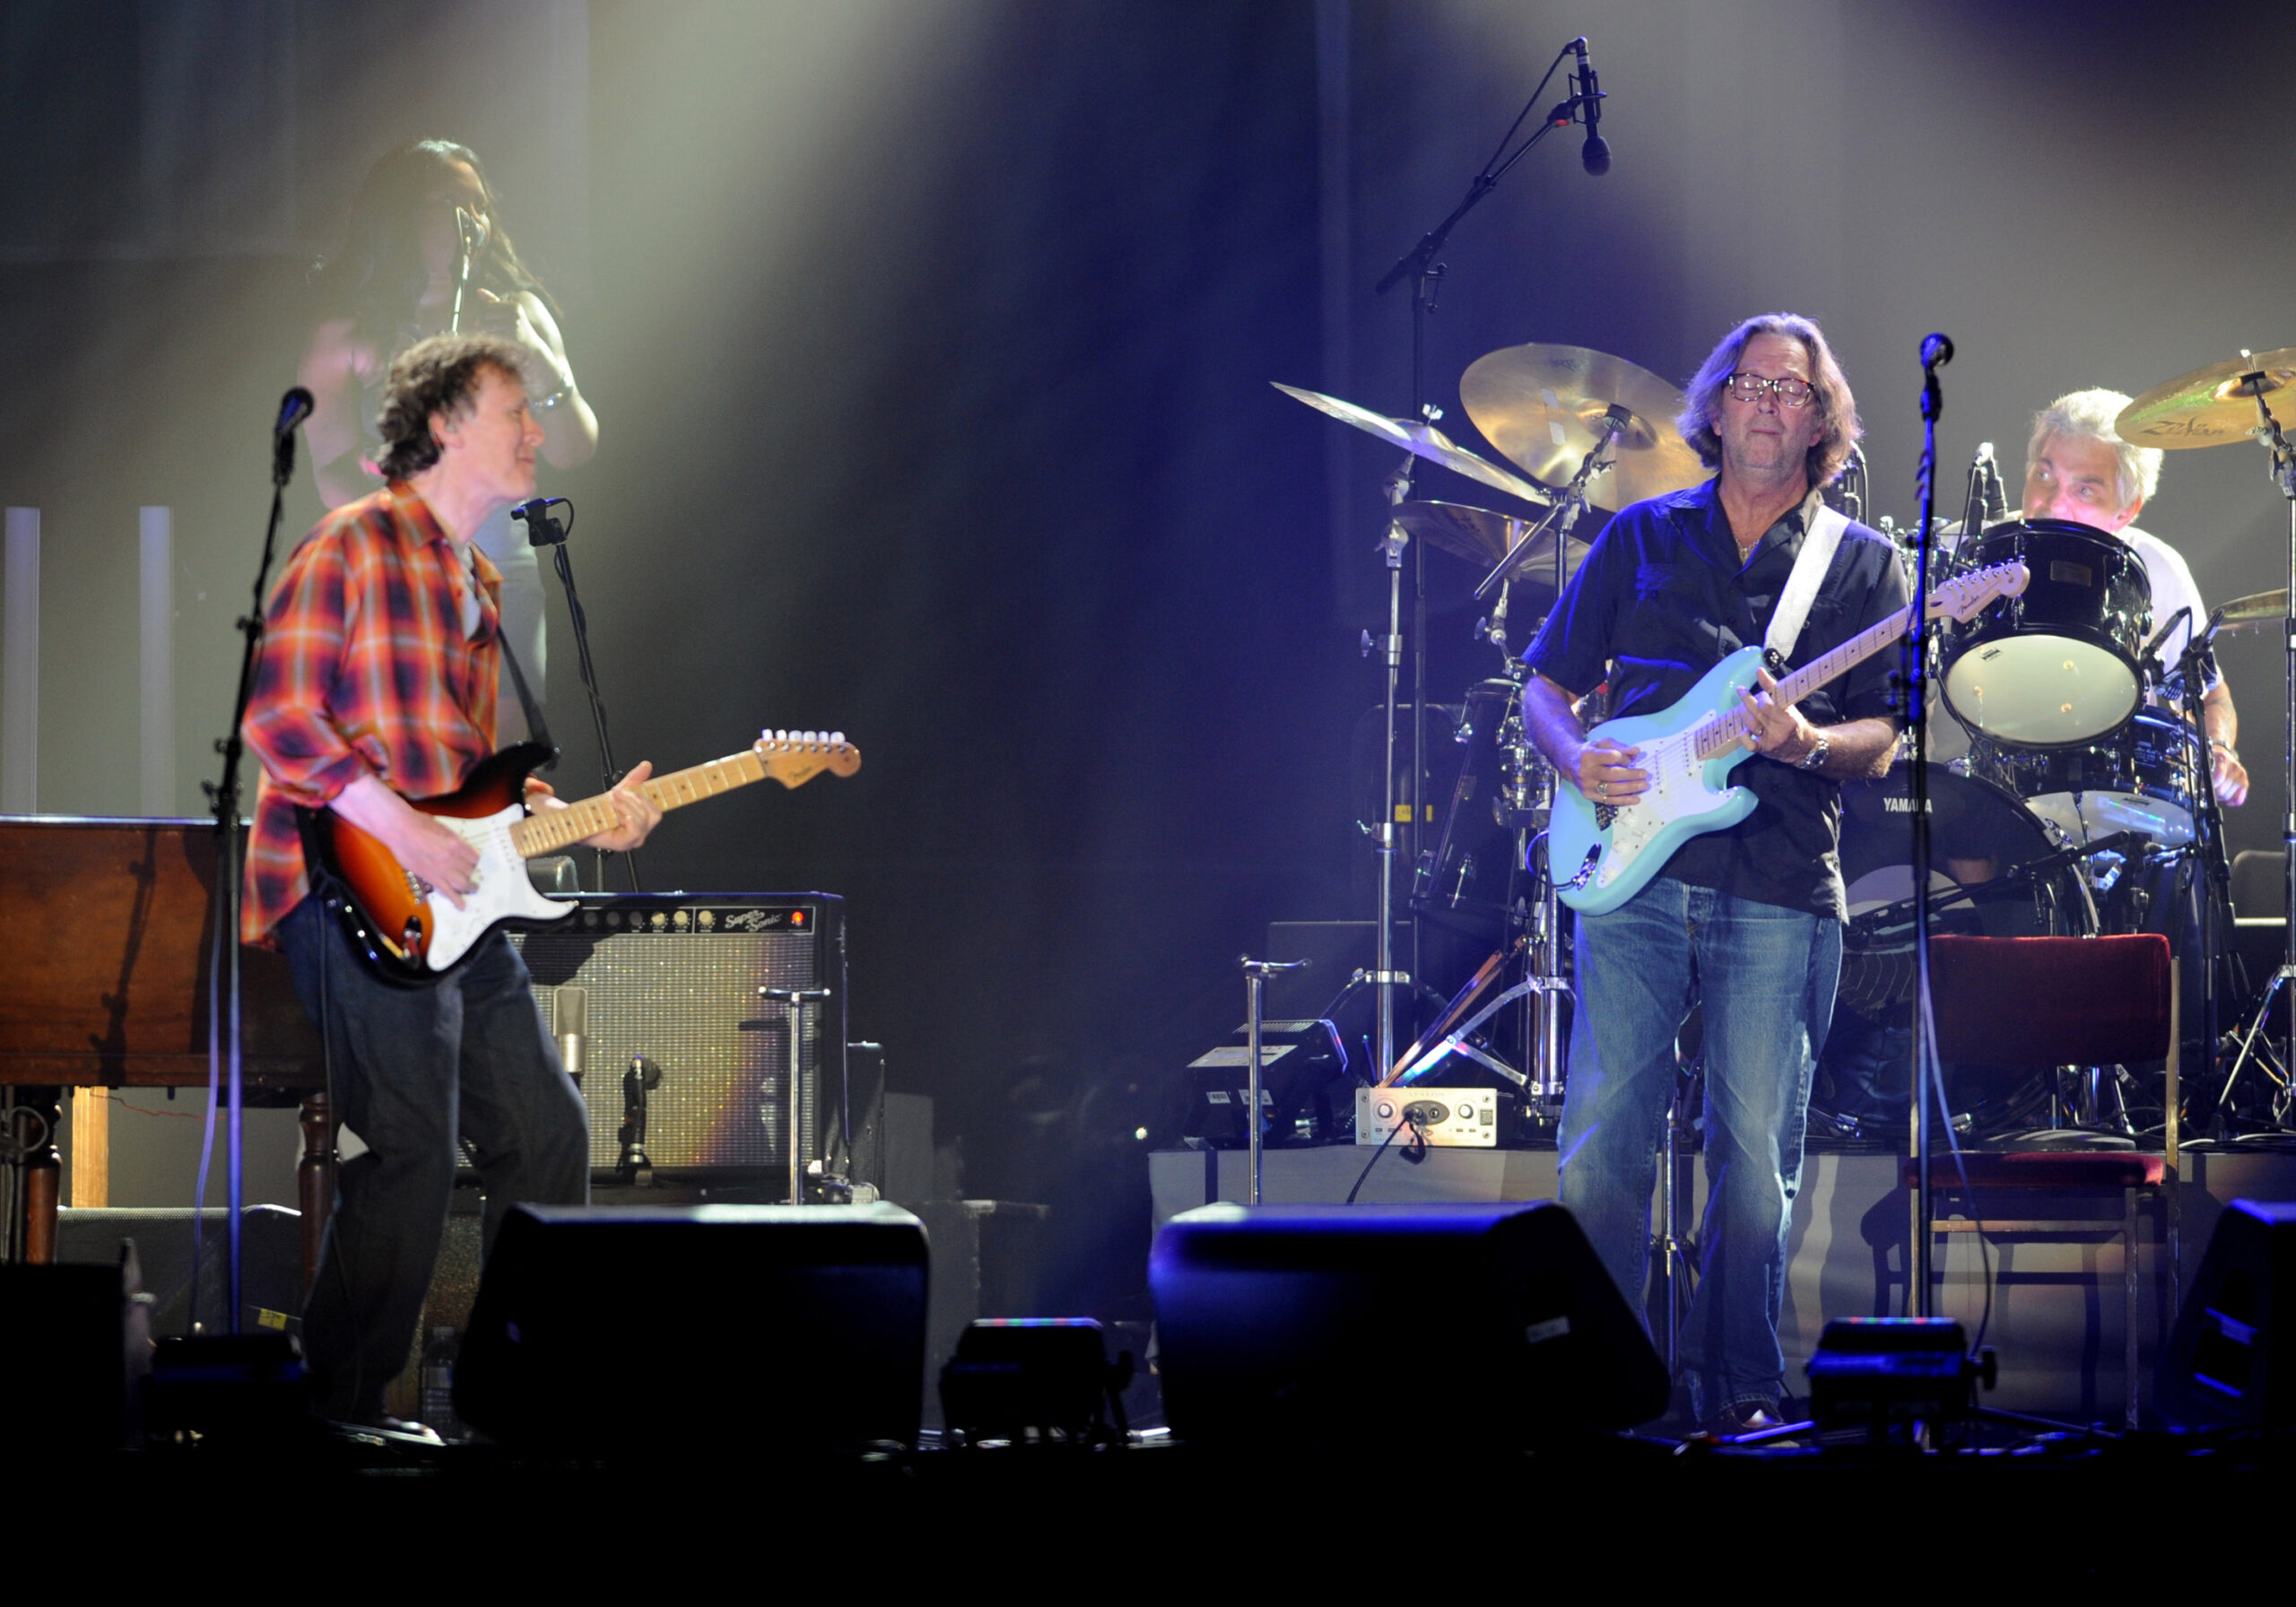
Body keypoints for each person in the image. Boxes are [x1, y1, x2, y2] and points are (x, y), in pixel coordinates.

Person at [242, 333, 657, 1429]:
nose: (536, 431)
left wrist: (585, 820)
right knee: (415, 1146)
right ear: (443, 425)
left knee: (548, 1132)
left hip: (452, 905)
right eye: (514, 410)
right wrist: (400, 830)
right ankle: (333, 1408)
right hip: (345, 888)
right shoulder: (353, 542)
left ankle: (516, 1402)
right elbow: (278, 715)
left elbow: (468, 791)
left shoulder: (477, 579)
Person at [1520, 314, 1910, 1436]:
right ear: (1716, 405)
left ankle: (1737, 1385)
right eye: (1749, 384)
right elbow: (1544, 684)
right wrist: (1573, 756)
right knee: (1604, 1144)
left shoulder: (1862, 561)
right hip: (1630, 874)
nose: (1768, 403)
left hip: (1777, 875)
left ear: (1821, 421)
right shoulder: (1640, 533)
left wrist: (1804, 742)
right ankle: (1599, 1388)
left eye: (1793, 391)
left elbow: (1884, 736)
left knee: (1753, 1159)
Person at [298, 139, 598, 743]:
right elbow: (329, 469)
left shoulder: (518, 312)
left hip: (502, 569)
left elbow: (574, 449)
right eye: (451, 203)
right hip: (396, 573)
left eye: (480, 205)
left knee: (503, 766)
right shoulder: (346, 331)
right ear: (401, 215)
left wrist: (534, 359)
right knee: (412, 758)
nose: (472, 220)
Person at [2018, 388, 2248, 806]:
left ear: (2127, 510)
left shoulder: (2157, 568)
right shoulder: (1979, 554)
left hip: (2110, 805)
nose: (2052, 504)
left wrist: (2217, 748)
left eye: (2085, 491)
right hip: (1987, 797)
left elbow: (2211, 694)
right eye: (2045, 476)